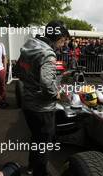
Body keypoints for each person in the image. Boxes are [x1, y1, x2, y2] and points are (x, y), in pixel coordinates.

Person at [16, 20, 69, 176]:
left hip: (28, 102)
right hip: (42, 108)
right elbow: (47, 83)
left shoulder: (31, 44)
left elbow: (19, 70)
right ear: (59, 37)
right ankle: (39, 172)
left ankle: (32, 167)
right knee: (44, 143)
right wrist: (56, 94)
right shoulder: (48, 53)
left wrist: (32, 82)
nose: (63, 45)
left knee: (36, 138)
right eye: (63, 41)